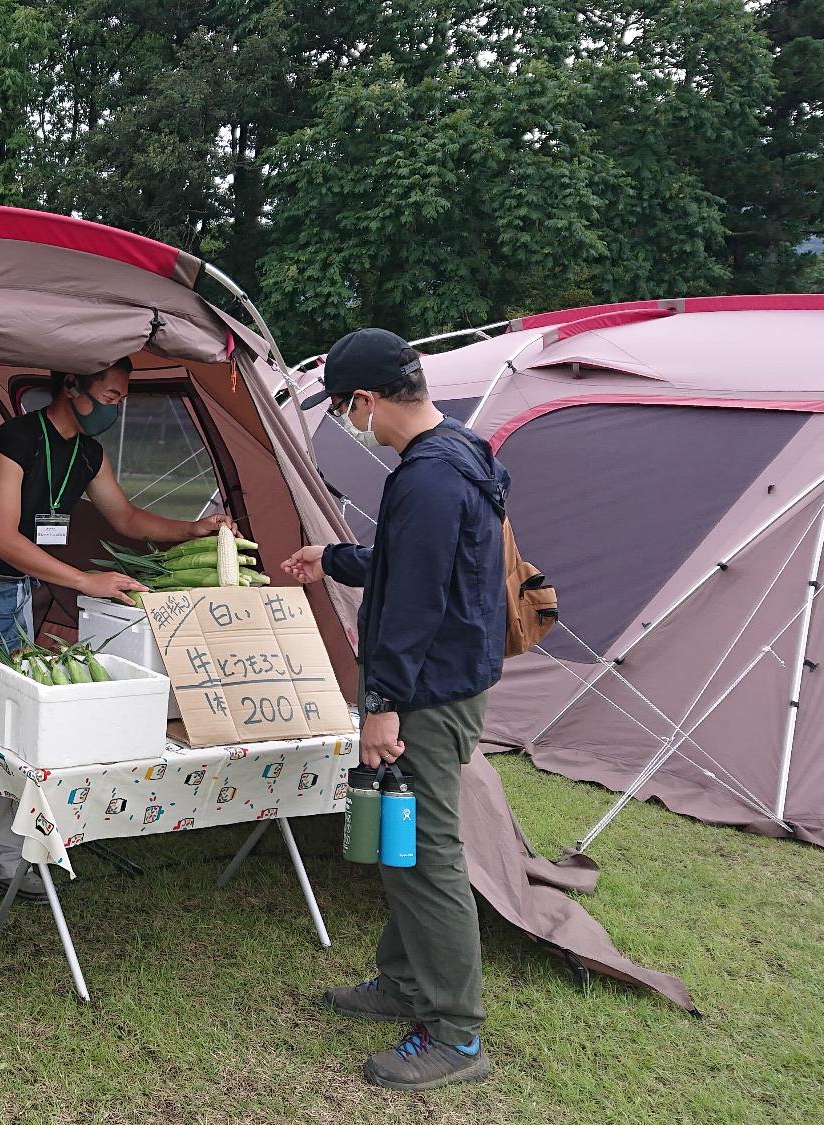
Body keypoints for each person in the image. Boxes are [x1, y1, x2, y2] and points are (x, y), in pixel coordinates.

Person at [0, 357, 233, 894]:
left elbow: (127, 518)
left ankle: (4, 859)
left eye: (122, 399)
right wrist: (84, 581)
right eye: (111, 397)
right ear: (72, 387)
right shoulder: (17, 440)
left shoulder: (88, 453)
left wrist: (195, 528)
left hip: (16, 592)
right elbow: (2, 539)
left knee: (10, 721)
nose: (115, 409)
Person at [283, 327, 508, 1091]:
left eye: (346, 409)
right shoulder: (457, 453)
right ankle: (406, 981)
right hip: (446, 682)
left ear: (366, 399)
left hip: (428, 695)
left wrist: (382, 704)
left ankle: (456, 1032)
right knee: (404, 848)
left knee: (427, 851)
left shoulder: (429, 479)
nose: (351, 424)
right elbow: (416, 557)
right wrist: (336, 557)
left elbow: (413, 603)